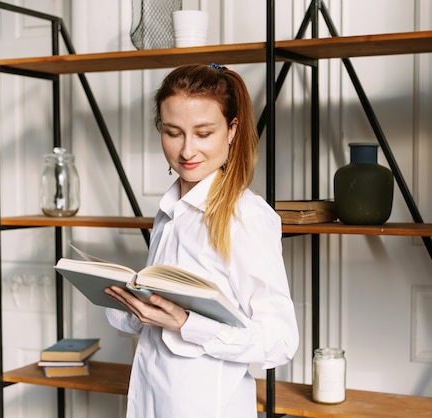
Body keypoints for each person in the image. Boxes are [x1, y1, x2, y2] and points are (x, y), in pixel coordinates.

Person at [104, 63, 299, 418]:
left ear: (231, 130)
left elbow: (280, 342)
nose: (187, 151)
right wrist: (129, 303)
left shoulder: (247, 218)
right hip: (149, 403)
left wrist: (187, 324)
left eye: (204, 133)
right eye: (173, 132)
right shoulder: (168, 211)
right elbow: (158, 326)